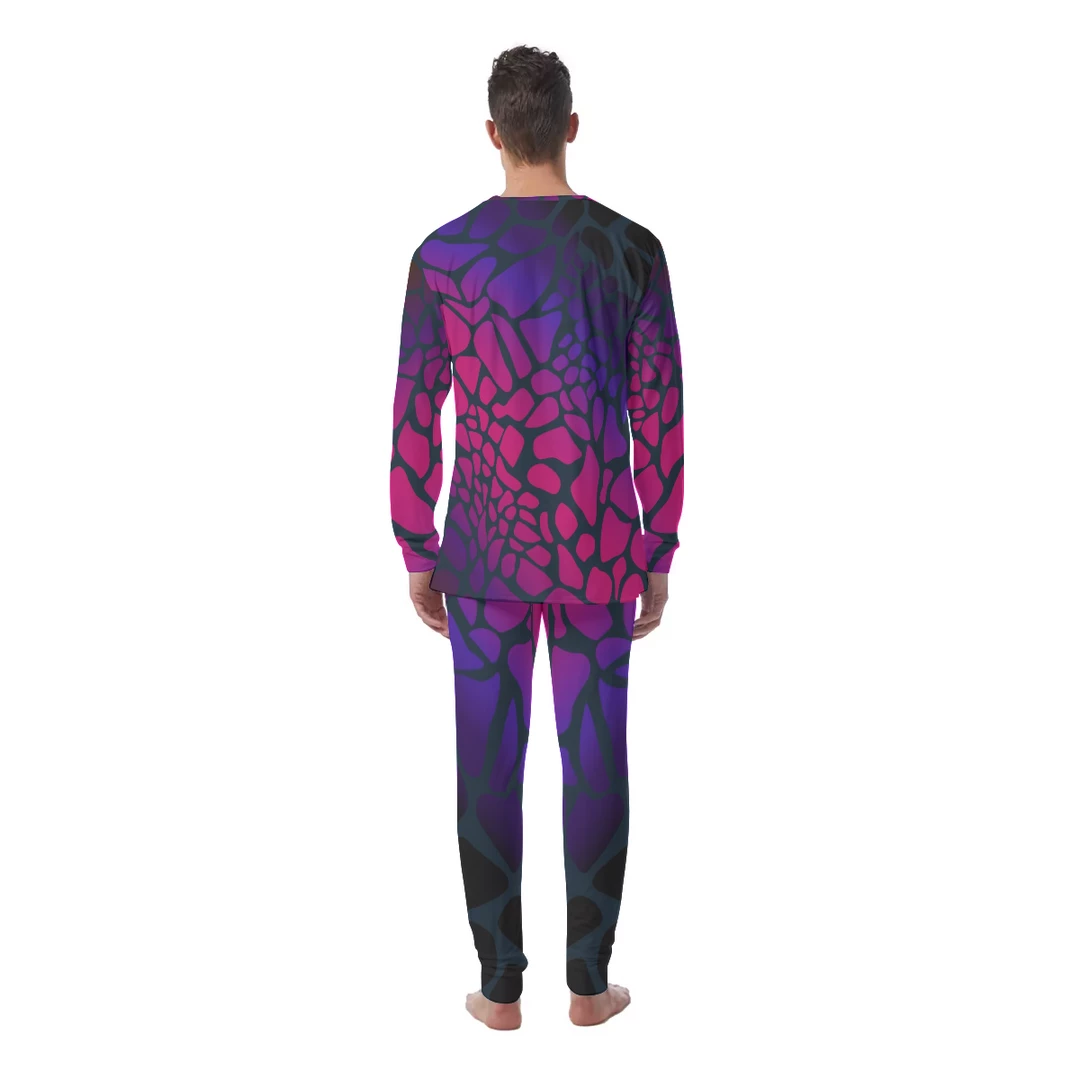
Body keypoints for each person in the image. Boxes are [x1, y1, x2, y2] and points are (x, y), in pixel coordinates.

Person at [389, 45, 683, 1029]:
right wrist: (658, 547)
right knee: (595, 758)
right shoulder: (630, 251)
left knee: (487, 760)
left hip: (483, 550)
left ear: (492, 134)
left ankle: (500, 988)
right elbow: (660, 410)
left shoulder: (444, 257)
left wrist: (417, 546)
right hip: (599, 546)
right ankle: (589, 987)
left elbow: (415, 409)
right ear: (571, 126)